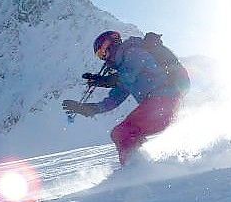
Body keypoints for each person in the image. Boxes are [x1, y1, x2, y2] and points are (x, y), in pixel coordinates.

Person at [62, 30, 189, 166]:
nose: (103, 58)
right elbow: (114, 99)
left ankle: (135, 170)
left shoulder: (133, 52)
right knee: (125, 133)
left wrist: (103, 80)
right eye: (99, 56)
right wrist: (89, 109)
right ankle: (144, 167)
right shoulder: (124, 67)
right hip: (162, 106)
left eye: (102, 53)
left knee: (122, 132)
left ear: (109, 45)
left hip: (163, 101)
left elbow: (127, 76)